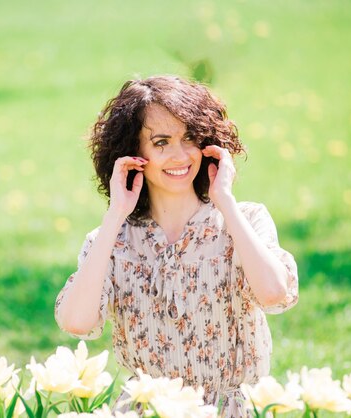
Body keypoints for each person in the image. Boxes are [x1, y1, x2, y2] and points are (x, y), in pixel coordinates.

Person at [55, 75, 298, 417]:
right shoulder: (111, 240)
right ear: (134, 153)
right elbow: (77, 323)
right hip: (148, 411)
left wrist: (224, 200)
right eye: (161, 142)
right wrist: (115, 214)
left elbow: (275, 294)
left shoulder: (244, 221)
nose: (180, 155)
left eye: (189, 138)